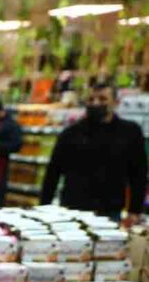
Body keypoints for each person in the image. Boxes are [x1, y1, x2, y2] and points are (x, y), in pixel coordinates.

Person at [41, 82, 148, 223]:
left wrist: (135, 210)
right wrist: (44, 208)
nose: (96, 103)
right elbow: (52, 173)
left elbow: (138, 174)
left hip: (110, 211)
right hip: (72, 210)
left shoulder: (130, 132)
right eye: (91, 99)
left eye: (102, 99)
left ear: (116, 102)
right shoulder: (71, 133)